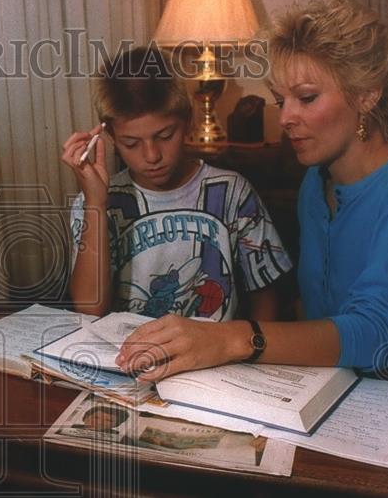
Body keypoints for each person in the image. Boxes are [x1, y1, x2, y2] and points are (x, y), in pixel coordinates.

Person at [115, 0, 388, 378]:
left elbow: (382, 332)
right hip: (330, 384)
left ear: (367, 94)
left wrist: (230, 339)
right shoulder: (314, 182)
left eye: (306, 98)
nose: (285, 118)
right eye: (280, 100)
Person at [61, 46, 292, 332]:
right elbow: (89, 308)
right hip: (125, 357)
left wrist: (249, 355)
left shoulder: (233, 192)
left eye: (165, 136)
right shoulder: (96, 202)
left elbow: (265, 295)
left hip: (211, 362)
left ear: (187, 120)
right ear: (109, 137)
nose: (151, 155)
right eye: (131, 143)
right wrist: (96, 203)